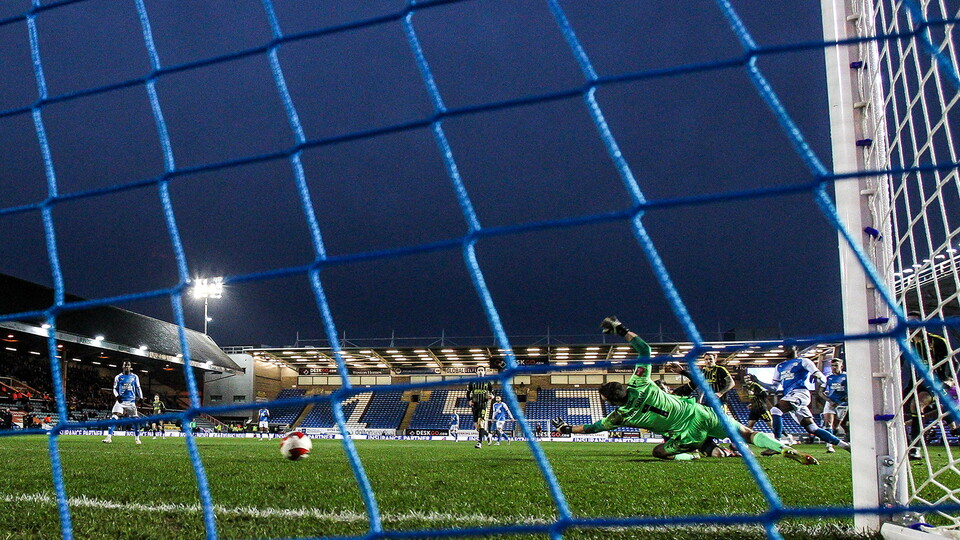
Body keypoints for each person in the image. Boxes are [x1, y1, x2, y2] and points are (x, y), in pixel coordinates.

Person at [551, 317, 819, 464]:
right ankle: (783, 449)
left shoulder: (620, 416)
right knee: (747, 434)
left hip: (686, 434)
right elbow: (644, 349)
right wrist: (622, 330)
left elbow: (593, 427)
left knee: (659, 453)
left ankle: (691, 454)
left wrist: (566, 429)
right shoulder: (640, 381)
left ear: (611, 402)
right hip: (700, 412)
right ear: (623, 386)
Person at [770, 348, 849, 451]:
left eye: (790, 345)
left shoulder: (803, 361)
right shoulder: (779, 366)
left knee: (775, 410)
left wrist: (817, 376)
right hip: (790, 396)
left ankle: (777, 445)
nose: (787, 348)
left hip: (800, 393)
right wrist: (758, 381)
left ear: (796, 349)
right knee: (813, 428)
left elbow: (822, 378)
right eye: (785, 346)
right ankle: (845, 446)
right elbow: (773, 387)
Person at [903, 311, 951, 459]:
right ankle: (907, 445)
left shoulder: (938, 341)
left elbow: (951, 365)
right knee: (896, 410)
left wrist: (947, 381)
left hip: (936, 383)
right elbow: (900, 364)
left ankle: (915, 448)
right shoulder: (907, 344)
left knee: (916, 405)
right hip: (915, 384)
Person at [666, 352, 735, 412]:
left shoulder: (721, 369)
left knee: (720, 421)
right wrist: (682, 372)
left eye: (710, 359)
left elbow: (731, 383)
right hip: (708, 402)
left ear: (715, 359)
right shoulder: (703, 371)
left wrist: (720, 393)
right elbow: (698, 383)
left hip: (720, 402)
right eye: (706, 359)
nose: (708, 361)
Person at [102, 361, 143, 444]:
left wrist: (141, 397)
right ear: (123, 366)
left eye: (128, 365)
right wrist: (117, 396)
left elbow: (138, 387)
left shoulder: (135, 377)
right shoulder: (118, 377)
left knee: (135, 420)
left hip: (131, 402)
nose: (127, 367)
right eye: (125, 365)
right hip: (121, 401)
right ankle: (109, 437)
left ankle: (137, 439)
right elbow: (114, 388)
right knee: (114, 417)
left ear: (130, 367)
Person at [820, 358, 848, 453]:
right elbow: (820, 392)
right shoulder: (828, 378)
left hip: (842, 404)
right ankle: (829, 446)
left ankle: (834, 440)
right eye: (832, 365)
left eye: (836, 365)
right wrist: (829, 400)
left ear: (841, 366)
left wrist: (846, 397)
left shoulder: (847, 376)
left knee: (835, 426)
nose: (833, 367)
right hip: (831, 403)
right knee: (828, 423)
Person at [467, 367, 494, 449]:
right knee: (477, 428)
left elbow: (492, 392)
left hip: (483, 405)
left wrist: (492, 396)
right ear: (476, 372)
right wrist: (469, 400)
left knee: (481, 423)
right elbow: (468, 392)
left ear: (484, 372)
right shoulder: (472, 382)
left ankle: (479, 443)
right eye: (479, 370)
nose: (480, 371)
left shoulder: (488, 382)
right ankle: (488, 435)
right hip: (475, 406)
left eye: (482, 370)